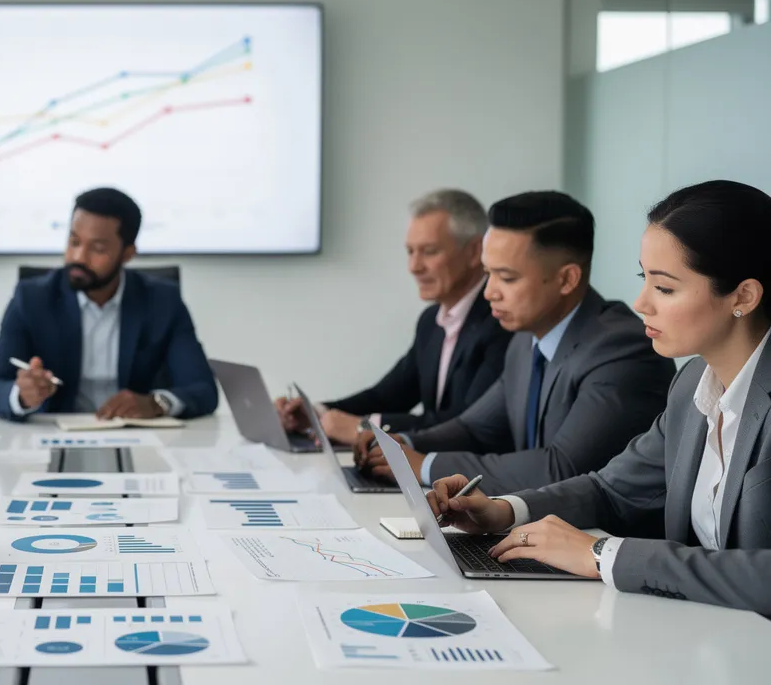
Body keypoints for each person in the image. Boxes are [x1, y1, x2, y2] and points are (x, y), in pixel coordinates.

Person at [428, 180, 771, 614]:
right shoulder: (692, 386)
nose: (641, 302)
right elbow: (611, 490)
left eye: (664, 288)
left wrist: (601, 554)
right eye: (643, 279)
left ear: (743, 296)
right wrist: (502, 511)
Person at [358, 191, 674, 493]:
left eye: (507, 278)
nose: (489, 292)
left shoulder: (623, 349)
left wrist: (425, 466)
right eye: (488, 273)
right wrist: (405, 443)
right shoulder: (525, 341)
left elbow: (561, 468)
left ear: (567, 279)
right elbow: (474, 428)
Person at [276, 189, 510, 446]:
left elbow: (467, 424)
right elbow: (386, 396)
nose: (414, 266)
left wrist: (365, 428)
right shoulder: (431, 321)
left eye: (429, 251)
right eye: (410, 251)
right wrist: (315, 413)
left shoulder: (502, 320)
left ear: (474, 252)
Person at [0, 188, 217, 421]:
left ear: (127, 253)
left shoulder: (162, 301)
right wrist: (22, 395)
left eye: (97, 248)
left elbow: (203, 390)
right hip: (58, 435)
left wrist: (157, 403)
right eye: (74, 241)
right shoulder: (32, 298)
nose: (78, 257)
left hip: (138, 438)